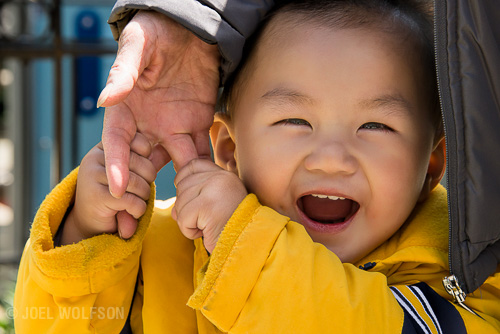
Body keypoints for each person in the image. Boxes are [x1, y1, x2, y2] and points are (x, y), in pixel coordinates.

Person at [14, 0, 500, 333]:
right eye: (294, 119)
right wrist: (86, 235)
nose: (331, 157)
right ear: (226, 147)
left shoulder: (459, 276)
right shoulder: (161, 246)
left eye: (375, 126)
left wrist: (244, 244)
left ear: (433, 164)